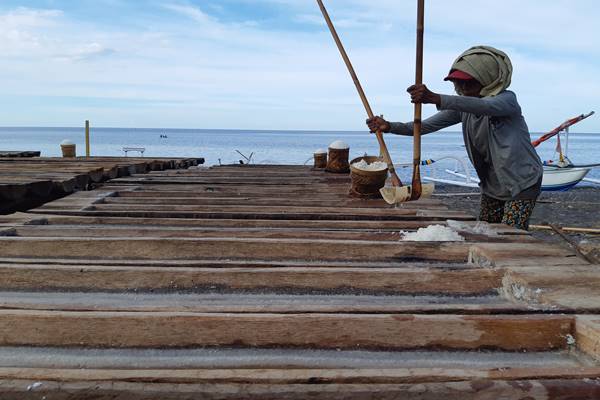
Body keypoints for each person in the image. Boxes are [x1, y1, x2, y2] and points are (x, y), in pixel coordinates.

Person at [367, 45, 543, 230]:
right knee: (485, 230)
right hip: (492, 184)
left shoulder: (507, 101)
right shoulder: (463, 108)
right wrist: (388, 126)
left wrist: (435, 98)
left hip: (522, 181)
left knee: (511, 235)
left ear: (487, 80)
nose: (464, 88)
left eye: (470, 82)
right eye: (460, 83)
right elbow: (424, 126)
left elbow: (485, 107)